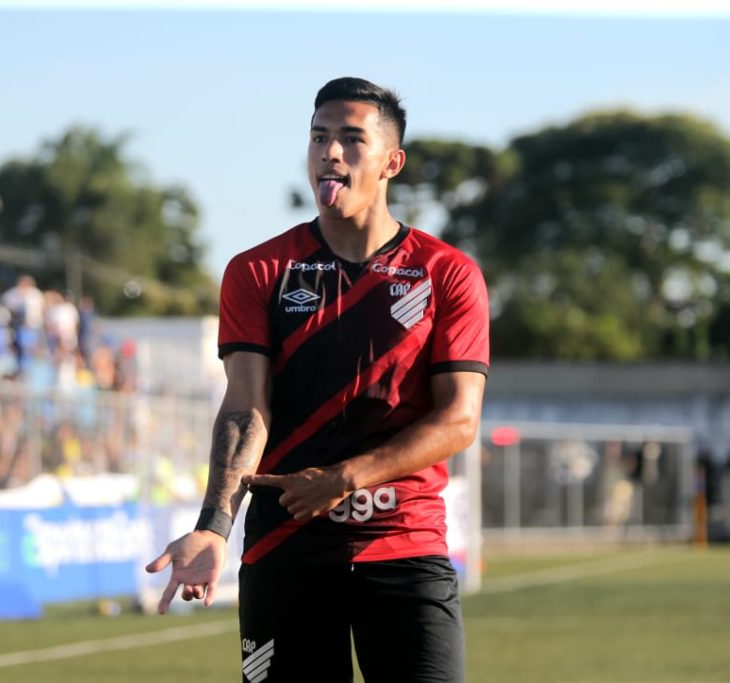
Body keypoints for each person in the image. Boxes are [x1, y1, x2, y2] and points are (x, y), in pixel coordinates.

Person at [145, 76, 489, 683]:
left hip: (405, 545)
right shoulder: (258, 271)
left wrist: (344, 478)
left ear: (391, 162)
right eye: (319, 138)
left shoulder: (447, 273)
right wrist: (213, 525)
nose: (330, 152)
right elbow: (246, 408)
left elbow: (458, 420)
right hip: (286, 551)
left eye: (351, 139)